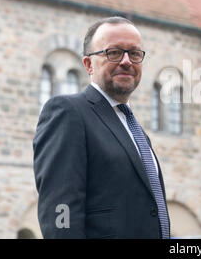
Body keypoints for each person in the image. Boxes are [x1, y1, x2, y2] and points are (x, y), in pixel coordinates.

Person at [33, 17, 170, 239]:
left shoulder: (134, 129)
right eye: (113, 52)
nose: (126, 61)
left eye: (134, 53)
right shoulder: (68, 113)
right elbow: (60, 209)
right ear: (88, 64)